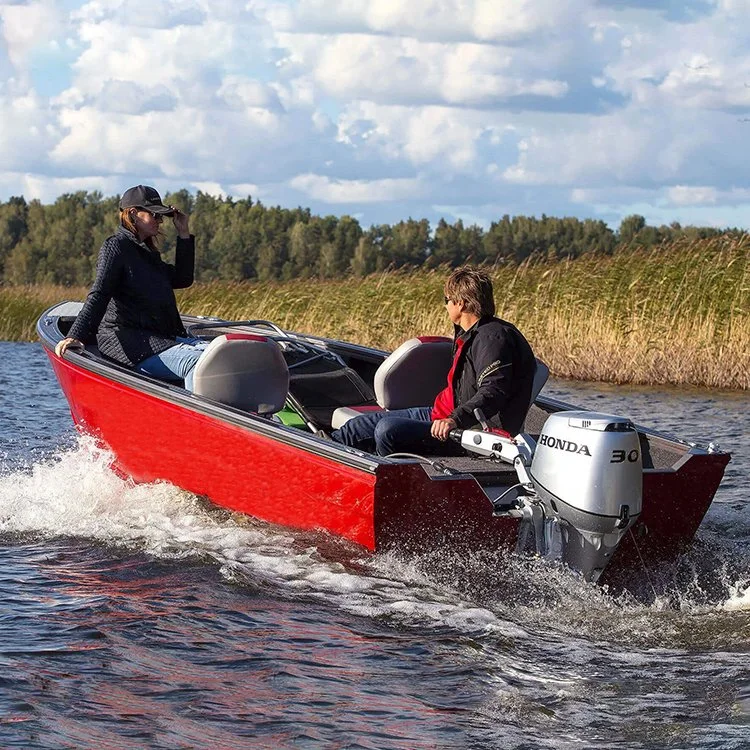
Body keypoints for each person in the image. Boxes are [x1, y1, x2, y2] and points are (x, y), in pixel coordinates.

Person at [331, 266, 537, 456]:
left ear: (460, 303)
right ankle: (318, 458)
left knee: (387, 431)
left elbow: (493, 391)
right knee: (355, 427)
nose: (446, 305)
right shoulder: (470, 334)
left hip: (470, 432)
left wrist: (455, 419)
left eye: (447, 299)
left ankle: (390, 482)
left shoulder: (492, 338)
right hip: (444, 414)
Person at [55, 185, 208, 389]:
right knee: (198, 363)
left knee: (220, 354)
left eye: (162, 217)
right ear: (134, 214)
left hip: (160, 341)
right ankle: (196, 418)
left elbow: (182, 279)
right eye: (155, 215)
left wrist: (184, 234)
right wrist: (75, 335)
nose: (160, 221)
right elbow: (99, 294)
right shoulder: (115, 247)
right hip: (131, 347)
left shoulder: (146, 254)